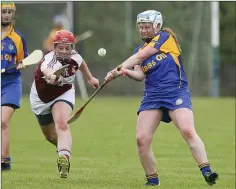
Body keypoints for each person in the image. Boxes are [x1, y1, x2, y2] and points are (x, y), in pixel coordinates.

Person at [105, 10, 218, 186]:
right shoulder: (138, 51)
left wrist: (116, 69)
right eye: (141, 27)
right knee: (141, 140)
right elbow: (140, 75)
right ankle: (152, 181)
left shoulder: (165, 38)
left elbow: (142, 56)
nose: (143, 30)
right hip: (152, 96)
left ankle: (207, 172)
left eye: (147, 27)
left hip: (175, 91)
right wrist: (124, 72)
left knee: (188, 131)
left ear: (157, 26)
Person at [30, 30, 99, 178]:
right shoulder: (48, 61)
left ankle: (64, 158)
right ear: (54, 47)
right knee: (50, 136)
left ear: (72, 47)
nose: (64, 51)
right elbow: (48, 71)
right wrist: (52, 77)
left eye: (67, 47)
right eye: (60, 48)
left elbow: (81, 64)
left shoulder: (75, 57)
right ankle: (61, 148)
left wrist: (90, 78)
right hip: (40, 98)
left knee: (62, 123)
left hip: (64, 92)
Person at [1, 1, 28, 171]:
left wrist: (21, 64)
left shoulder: (18, 38)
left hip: (11, 83)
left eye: (9, 12)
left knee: (3, 121)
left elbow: (22, 59)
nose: (6, 15)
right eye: (3, 11)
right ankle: (7, 161)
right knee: (3, 124)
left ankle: (2, 160)